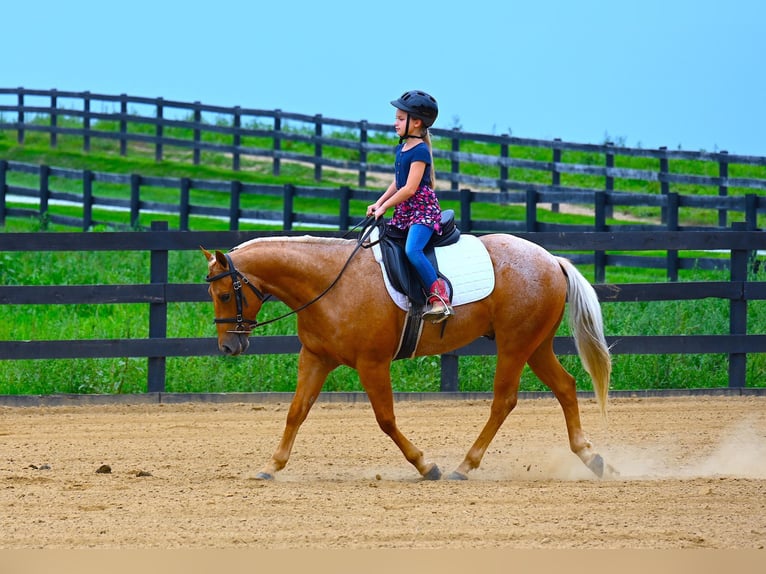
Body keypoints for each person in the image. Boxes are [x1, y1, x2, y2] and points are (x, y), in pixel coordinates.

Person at [366, 90, 454, 323]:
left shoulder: (420, 151)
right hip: (406, 211)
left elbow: (410, 189)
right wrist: (379, 202)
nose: (395, 123)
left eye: (400, 119)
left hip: (422, 211)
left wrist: (385, 207)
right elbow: (398, 182)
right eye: (396, 118)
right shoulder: (402, 149)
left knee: (412, 250)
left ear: (416, 123)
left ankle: (439, 297)